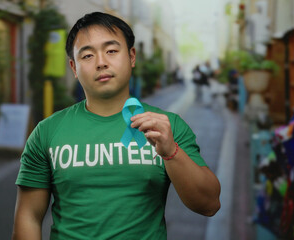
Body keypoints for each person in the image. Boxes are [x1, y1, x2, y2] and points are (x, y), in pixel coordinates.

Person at [12, 12, 221, 240]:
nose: (101, 62)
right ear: (73, 67)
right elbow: (28, 216)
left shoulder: (168, 126)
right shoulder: (47, 132)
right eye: (88, 55)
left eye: (111, 51)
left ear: (132, 56)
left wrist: (171, 152)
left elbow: (209, 204)